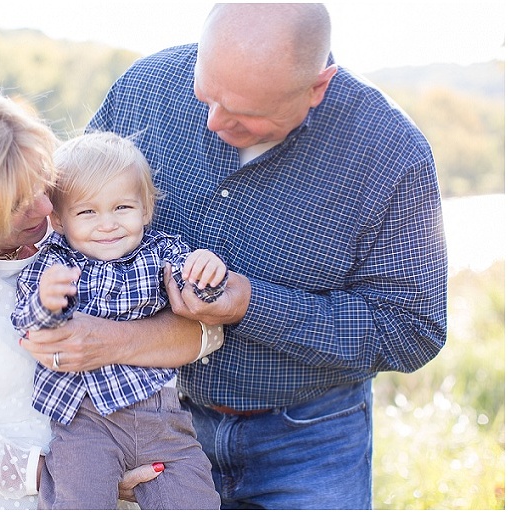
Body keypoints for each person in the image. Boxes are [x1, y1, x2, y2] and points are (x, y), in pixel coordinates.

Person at [29, 3, 448, 509]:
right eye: (206, 95)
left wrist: (253, 306)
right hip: (146, 420)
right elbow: (55, 222)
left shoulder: (390, 153)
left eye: (248, 115)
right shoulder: (144, 90)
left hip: (309, 442)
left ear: (317, 86)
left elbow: (411, 329)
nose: (213, 121)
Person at [0, 79, 216, 509]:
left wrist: (117, 341)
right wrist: (75, 475)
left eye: (42, 182)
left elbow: (205, 334)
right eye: (14, 204)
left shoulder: (82, 228)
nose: (43, 208)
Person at [11, 132, 225, 509]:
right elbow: (26, 322)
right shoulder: (51, 265)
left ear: (145, 210)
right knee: (80, 500)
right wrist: (48, 301)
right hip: (83, 422)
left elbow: (199, 301)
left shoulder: (163, 253)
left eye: (122, 207)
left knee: (194, 498)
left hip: (159, 418)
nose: (107, 224)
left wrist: (208, 274)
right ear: (59, 220)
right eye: (87, 212)